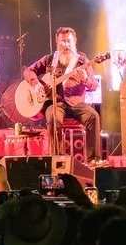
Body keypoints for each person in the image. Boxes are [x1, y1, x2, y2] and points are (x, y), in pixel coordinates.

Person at [24, 27, 103, 162]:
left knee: (93, 116)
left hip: (77, 103)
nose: (66, 45)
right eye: (62, 42)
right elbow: (29, 71)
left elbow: (94, 85)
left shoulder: (83, 61)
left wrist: (84, 79)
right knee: (54, 118)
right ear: (57, 42)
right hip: (56, 102)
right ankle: (57, 159)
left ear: (75, 42)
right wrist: (36, 84)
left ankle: (93, 160)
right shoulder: (50, 60)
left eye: (68, 41)